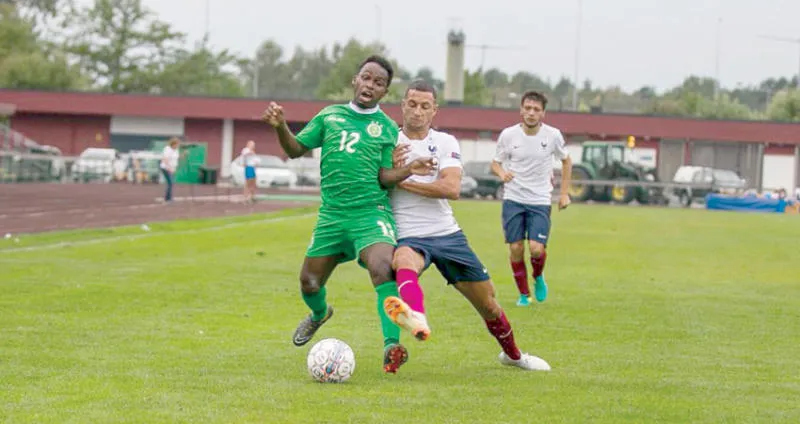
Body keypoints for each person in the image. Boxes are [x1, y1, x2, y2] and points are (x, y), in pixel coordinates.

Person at [261, 55, 435, 374]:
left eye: (378, 83)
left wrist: (409, 168)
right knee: (309, 283)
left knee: (383, 268)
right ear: (356, 80)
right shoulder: (330, 116)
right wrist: (280, 126)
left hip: (370, 213)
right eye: (366, 78)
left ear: (384, 92)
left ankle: (391, 346)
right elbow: (295, 149)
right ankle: (319, 314)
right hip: (332, 216)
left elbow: (384, 177)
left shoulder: (387, 128)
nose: (370, 85)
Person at [382, 80, 551, 371]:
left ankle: (513, 356)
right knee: (403, 261)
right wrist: (392, 174)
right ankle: (417, 317)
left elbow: (451, 188)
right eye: (412, 104)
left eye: (425, 106)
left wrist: (402, 179)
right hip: (408, 234)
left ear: (434, 110)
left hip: (447, 234)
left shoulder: (445, 142)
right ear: (402, 105)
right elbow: (377, 179)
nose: (417, 111)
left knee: (488, 303)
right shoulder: (387, 142)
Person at [491, 91, 572, 307]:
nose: (531, 113)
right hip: (513, 198)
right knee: (516, 248)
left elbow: (566, 161)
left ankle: (537, 276)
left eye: (536, 109)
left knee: (536, 248)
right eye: (527, 108)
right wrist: (502, 173)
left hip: (540, 200)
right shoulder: (508, 135)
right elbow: (496, 163)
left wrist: (564, 193)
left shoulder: (552, 135)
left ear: (543, 113)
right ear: (521, 110)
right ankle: (524, 294)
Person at [160, 137, 180, 203]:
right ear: (173, 144)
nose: (177, 145)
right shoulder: (167, 149)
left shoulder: (176, 150)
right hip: (166, 168)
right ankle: (168, 199)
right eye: (177, 144)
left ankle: (168, 198)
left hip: (172, 169)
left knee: (171, 183)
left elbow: (176, 159)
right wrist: (169, 168)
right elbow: (165, 159)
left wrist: (184, 155)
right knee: (170, 183)